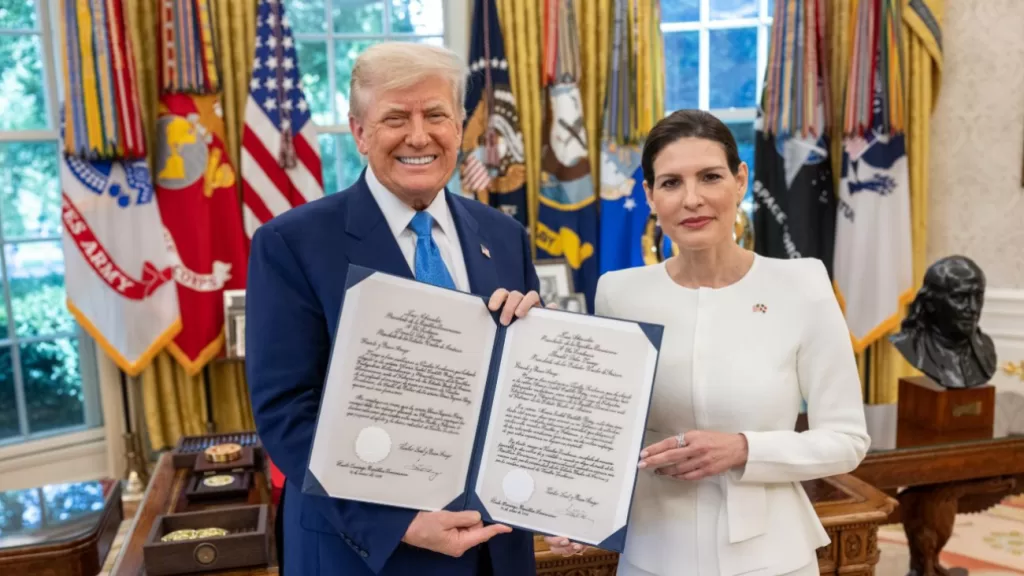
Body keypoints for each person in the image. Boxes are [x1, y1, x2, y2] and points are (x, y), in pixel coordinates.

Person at [246, 42, 541, 576]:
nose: (419, 136)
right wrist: (395, 523)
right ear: (360, 133)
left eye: (435, 115)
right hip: (362, 552)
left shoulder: (506, 236)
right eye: (395, 118)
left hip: (494, 551)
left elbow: (522, 401)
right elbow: (287, 415)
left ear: (458, 128)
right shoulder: (291, 243)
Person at [542, 109, 870, 575]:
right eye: (671, 183)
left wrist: (743, 448)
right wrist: (568, 504)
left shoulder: (802, 284)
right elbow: (605, 430)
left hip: (770, 553)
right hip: (653, 550)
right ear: (650, 196)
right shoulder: (619, 291)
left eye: (710, 177)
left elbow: (847, 441)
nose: (692, 199)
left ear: (740, 180)